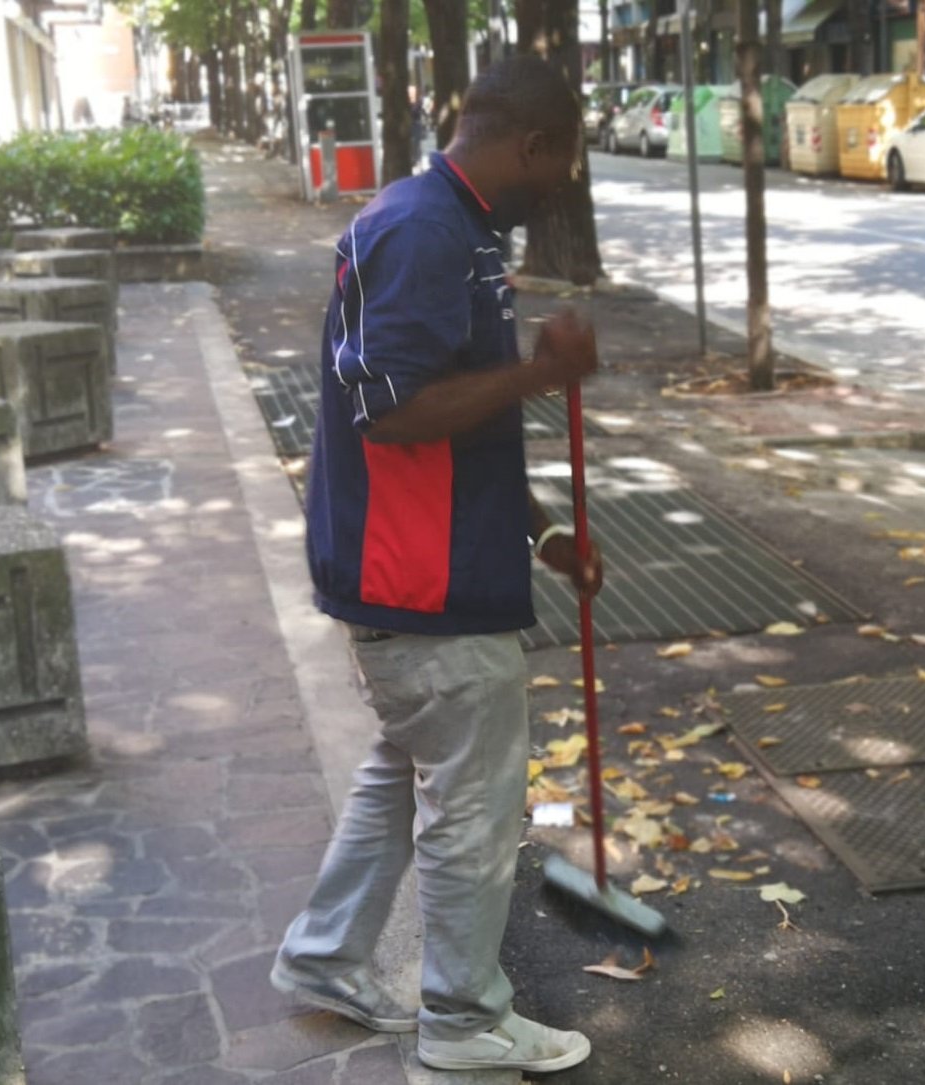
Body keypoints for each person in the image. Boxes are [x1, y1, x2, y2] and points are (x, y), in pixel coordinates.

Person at [269, 55, 603, 1075]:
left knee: (404, 771)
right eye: (562, 167)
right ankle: (461, 1018)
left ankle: (326, 955)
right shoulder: (423, 230)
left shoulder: (453, 225)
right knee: (473, 807)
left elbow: (465, 419)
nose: (562, 188)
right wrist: (542, 373)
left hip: (425, 570)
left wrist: (541, 531)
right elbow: (395, 410)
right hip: (419, 583)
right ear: (531, 145)